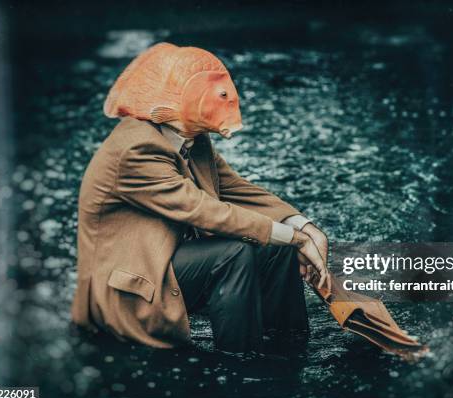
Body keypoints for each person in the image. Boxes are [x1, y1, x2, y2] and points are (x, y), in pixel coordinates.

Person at [71, 42, 330, 353]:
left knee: (276, 250)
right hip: (128, 291)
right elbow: (201, 209)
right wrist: (295, 238)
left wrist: (304, 228)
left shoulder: (191, 137)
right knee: (233, 253)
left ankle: (288, 344)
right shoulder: (136, 150)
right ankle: (242, 364)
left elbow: (236, 188)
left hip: (172, 258)